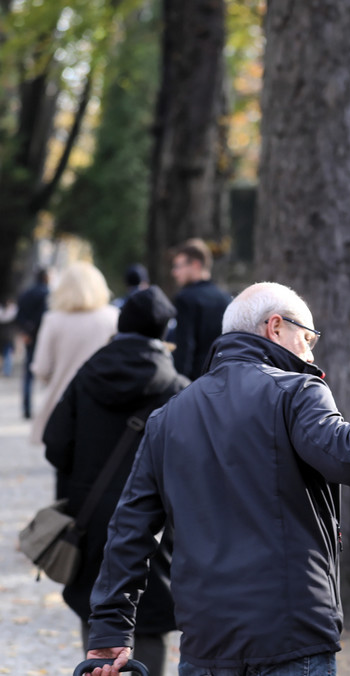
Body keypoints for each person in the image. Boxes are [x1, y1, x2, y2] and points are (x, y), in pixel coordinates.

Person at [84, 281, 350, 676]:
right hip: (290, 634)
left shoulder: (168, 417)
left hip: (205, 639)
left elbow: (128, 531)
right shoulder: (295, 392)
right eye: (307, 338)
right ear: (275, 327)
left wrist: (109, 631)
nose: (310, 352)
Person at [44, 286, 188, 676]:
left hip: (88, 519)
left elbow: (55, 444)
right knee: (151, 620)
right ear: (164, 333)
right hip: (154, 530)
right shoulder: (177, 391)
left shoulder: (87, 375)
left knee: (98, 615)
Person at [29, 262, 119, 445]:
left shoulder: (53, 320)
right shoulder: (113, 317)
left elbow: (41, 368)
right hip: (105, 405)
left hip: (63, 406)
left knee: (64, 465)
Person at [168, 238, 231, 380]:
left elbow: (185, 348)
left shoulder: (185, 298)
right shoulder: (226, 298)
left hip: (196, 382)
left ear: (195, 265)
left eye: (178, 266)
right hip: (223, 378)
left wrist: (179, 385)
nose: (174, 272)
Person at [15, 268, 50, 418]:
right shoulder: (47, 293)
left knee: (28, 374)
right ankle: (46, 407)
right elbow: (45, 316)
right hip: (43, 338)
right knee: (46, 372)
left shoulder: (25, 293)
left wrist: (26, 331)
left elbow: (19, 315)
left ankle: (26, 408)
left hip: (30, 338)